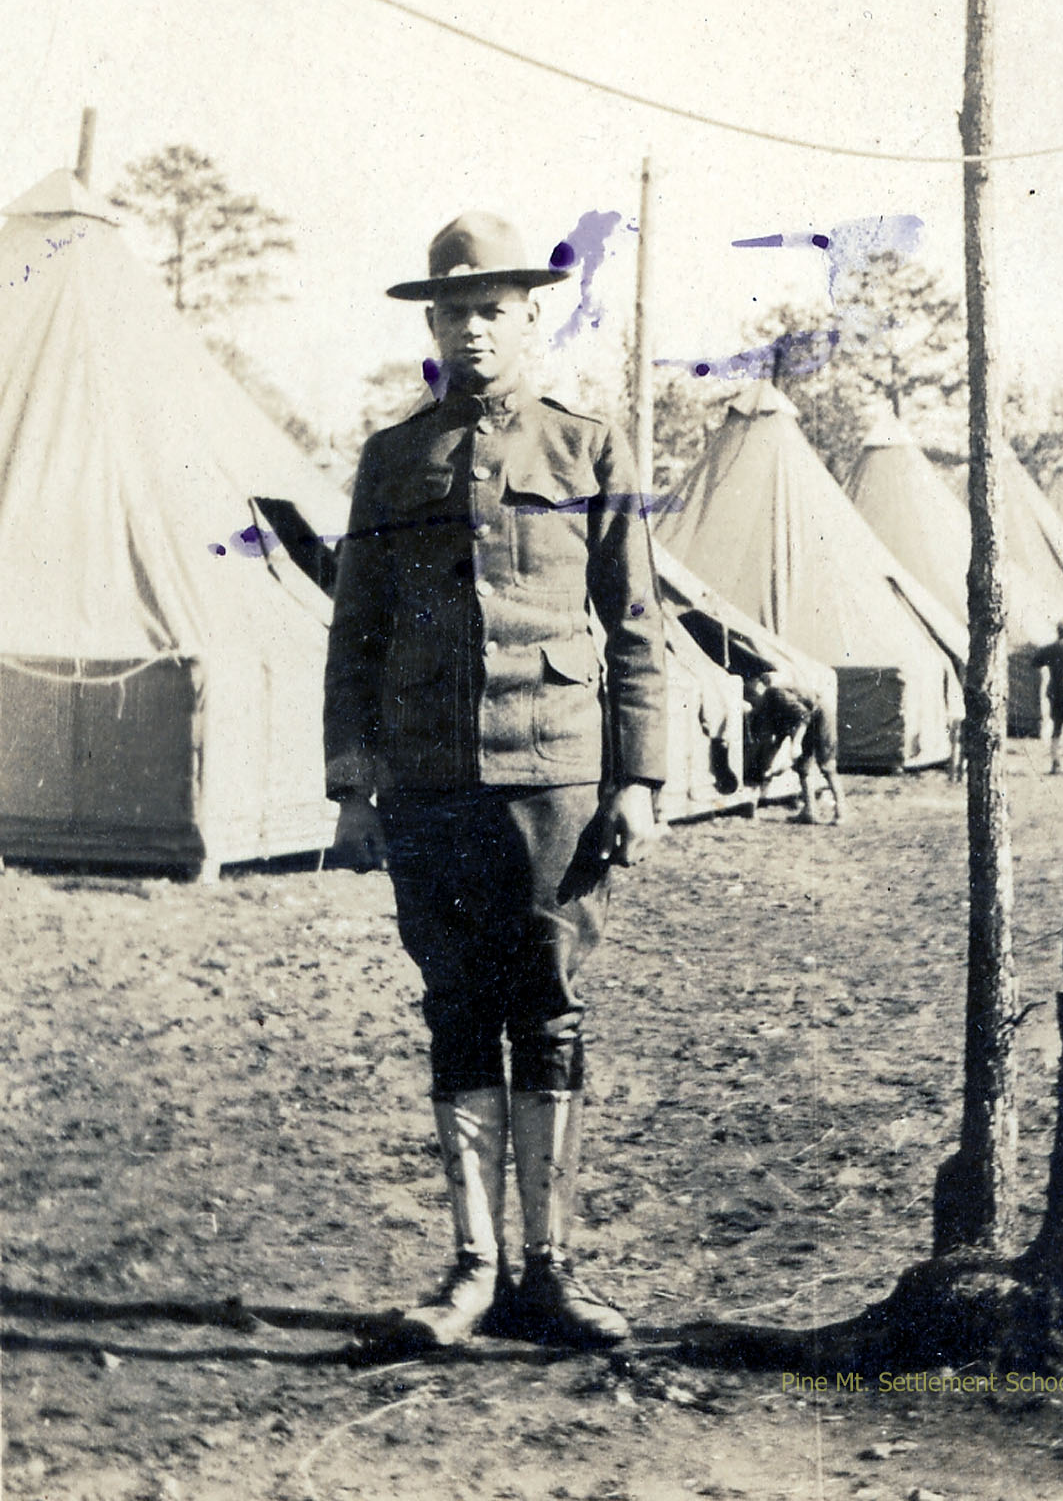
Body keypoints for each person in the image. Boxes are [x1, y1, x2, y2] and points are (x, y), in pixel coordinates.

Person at [324, 213, 667, 1352]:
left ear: (530, 320)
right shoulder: (392, 459)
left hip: (557, 774)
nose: (472, 330)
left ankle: (549, 1270)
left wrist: (639, 778)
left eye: (493, 311)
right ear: (430, 326)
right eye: (453, 312)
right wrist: (352, 785)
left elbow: (635, 624)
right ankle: (473, 1269)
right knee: (457, 1008)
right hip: (428, 781)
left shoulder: (589, 448)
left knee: (550, 1009)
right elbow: (355, 634)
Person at [743, 670, 843, 823]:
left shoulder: (774, 694)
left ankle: (841, 812)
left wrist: (796, 744)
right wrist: (769, 765)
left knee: (827, 765)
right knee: (803, 766)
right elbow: (777, 740)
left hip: (820, 712)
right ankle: (810, 810)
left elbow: (803, 715)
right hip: (807, 719)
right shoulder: (768, 713)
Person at [1032, 621, 1063, 775]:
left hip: (1055, 692)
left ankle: (1055, 763)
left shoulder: (1051, 649)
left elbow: (1035, 662)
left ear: (1058, 631)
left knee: (1056, 728)